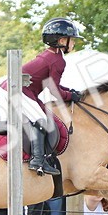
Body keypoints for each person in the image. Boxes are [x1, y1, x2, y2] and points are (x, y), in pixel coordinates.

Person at [21, 18, 82, 176]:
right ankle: (37, 160)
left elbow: (52, 85)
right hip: (20, 92)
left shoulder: (50, 56)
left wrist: (70, 92)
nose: (73, 43)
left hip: (21, 90)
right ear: (61, 40)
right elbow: (54, 92)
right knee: (42, 120)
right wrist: (71, 96)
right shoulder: (57, 60)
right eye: (72, 40)